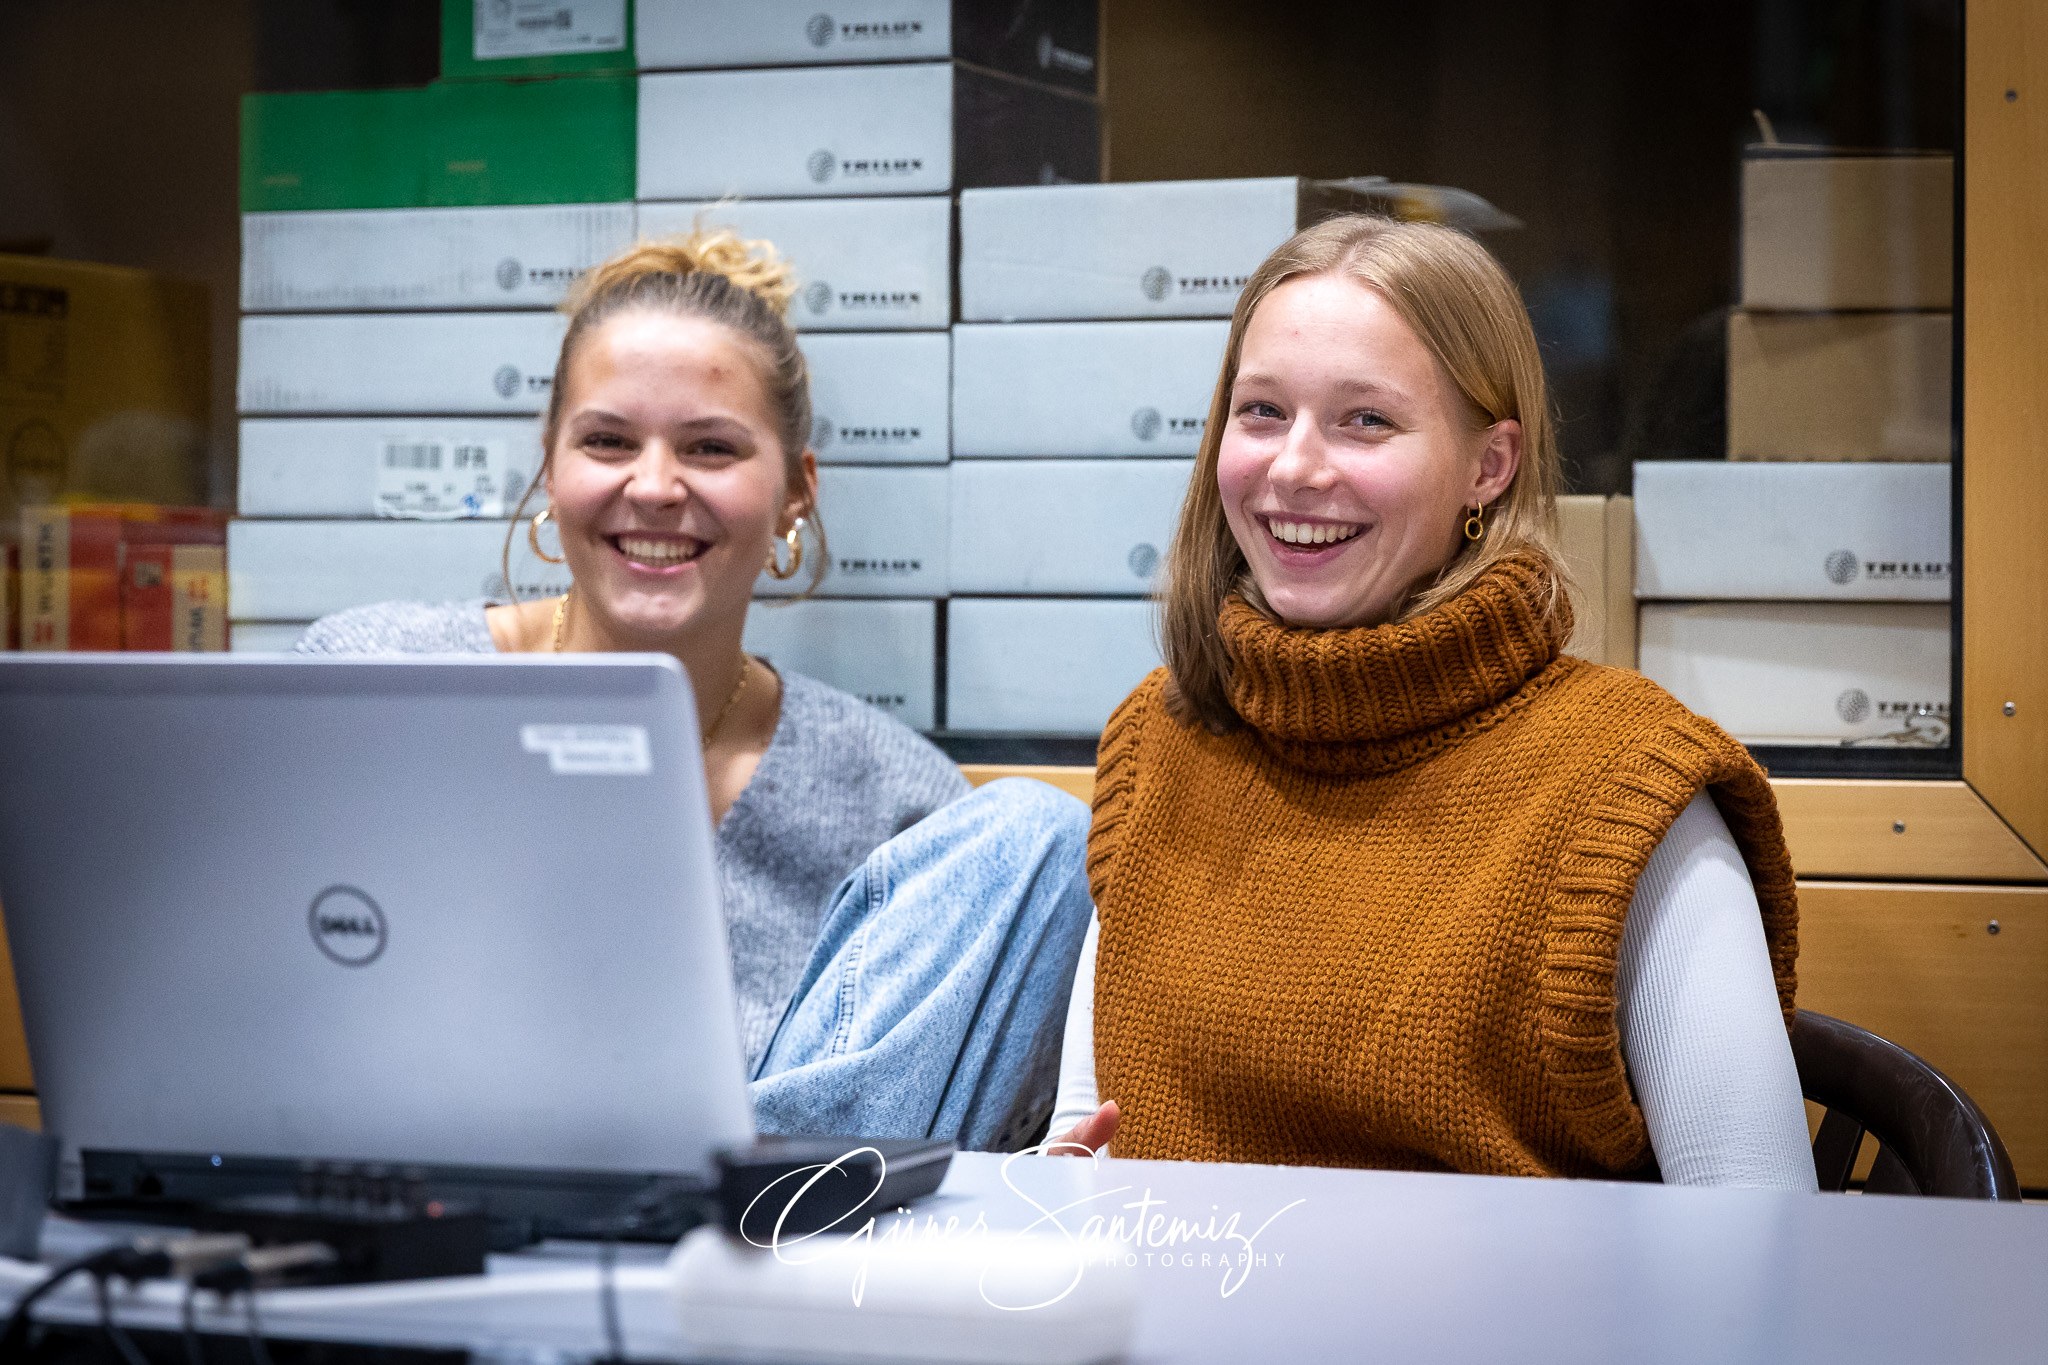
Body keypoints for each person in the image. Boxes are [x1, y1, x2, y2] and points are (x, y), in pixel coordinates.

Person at [1048, 215, 1816, 1188]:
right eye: (1261, 413)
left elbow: (1755, 1236)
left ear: (1487, 468)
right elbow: (1083, 1137)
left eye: (1364, 419)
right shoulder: (1156, 741)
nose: (1293, 468)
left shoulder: (1626, 787)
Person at [298, 229, 1092, 1151]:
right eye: (606, 441)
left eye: (710, 448)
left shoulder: (896, 802)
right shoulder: (371, 678)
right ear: (549, 470)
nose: (655, 486)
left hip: (771, 1262)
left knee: (1040, 834)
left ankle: (714, 1189)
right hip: (408, 1210)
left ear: (797, 492)